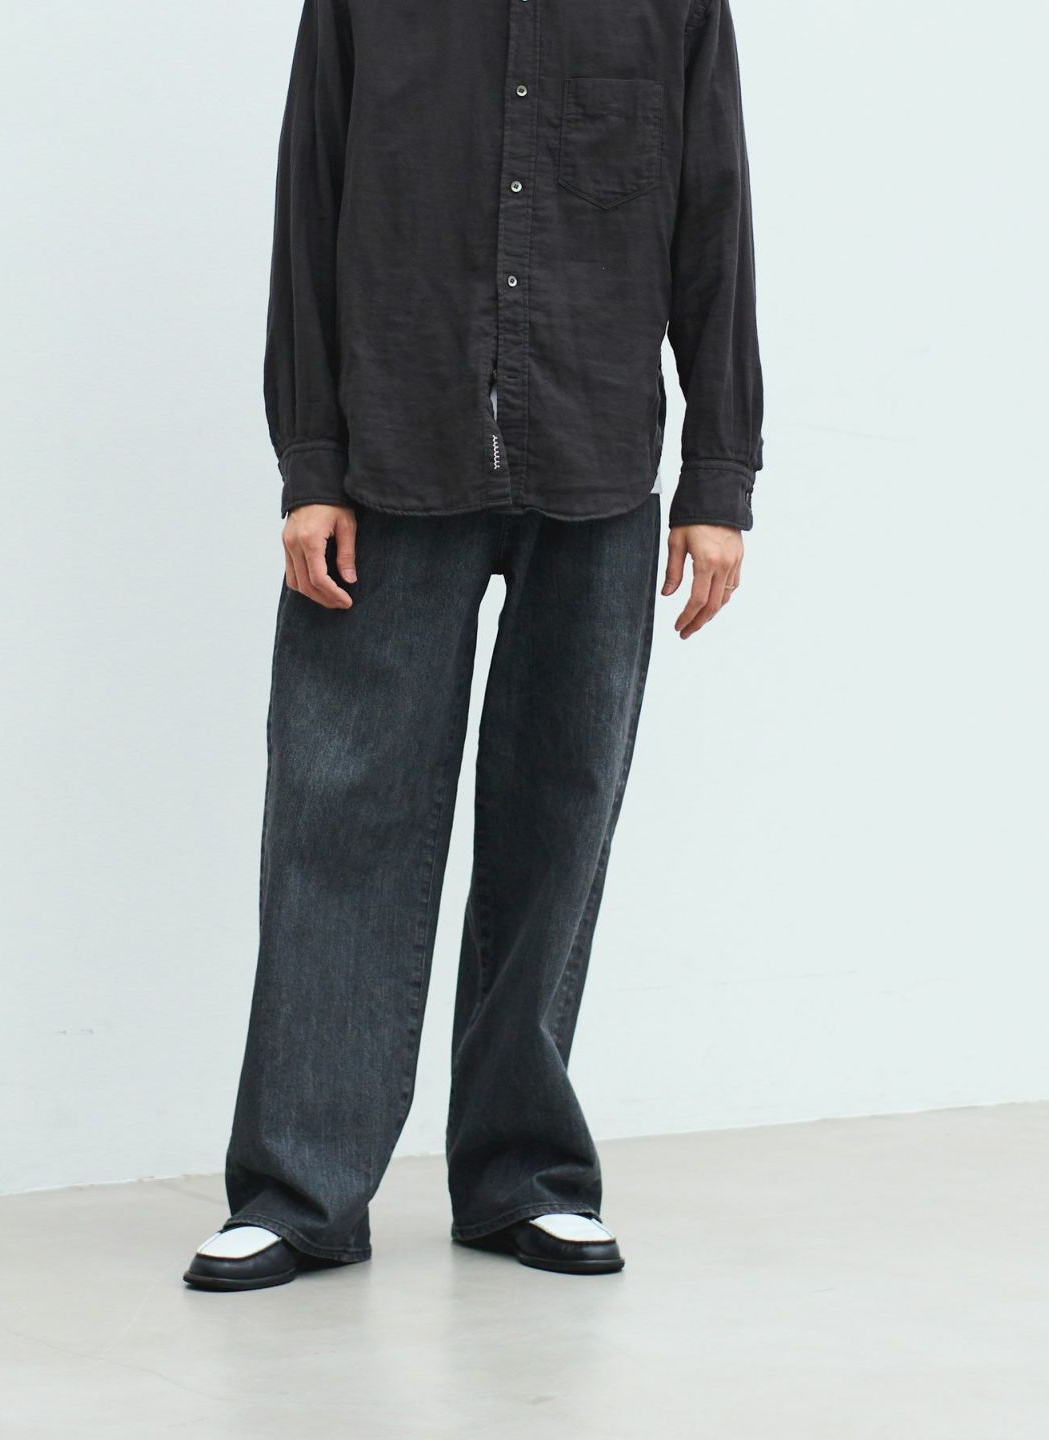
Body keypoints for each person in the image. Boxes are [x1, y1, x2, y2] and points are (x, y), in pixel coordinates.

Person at [183, 0, 763, 1291]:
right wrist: (310, 465)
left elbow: (712, 211)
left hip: (594, 452)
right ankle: (300, 1191)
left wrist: (719, 474)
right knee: (340, 820)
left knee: (557, 826)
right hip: (393, 454)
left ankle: (522, 1179)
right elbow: (309, 201)